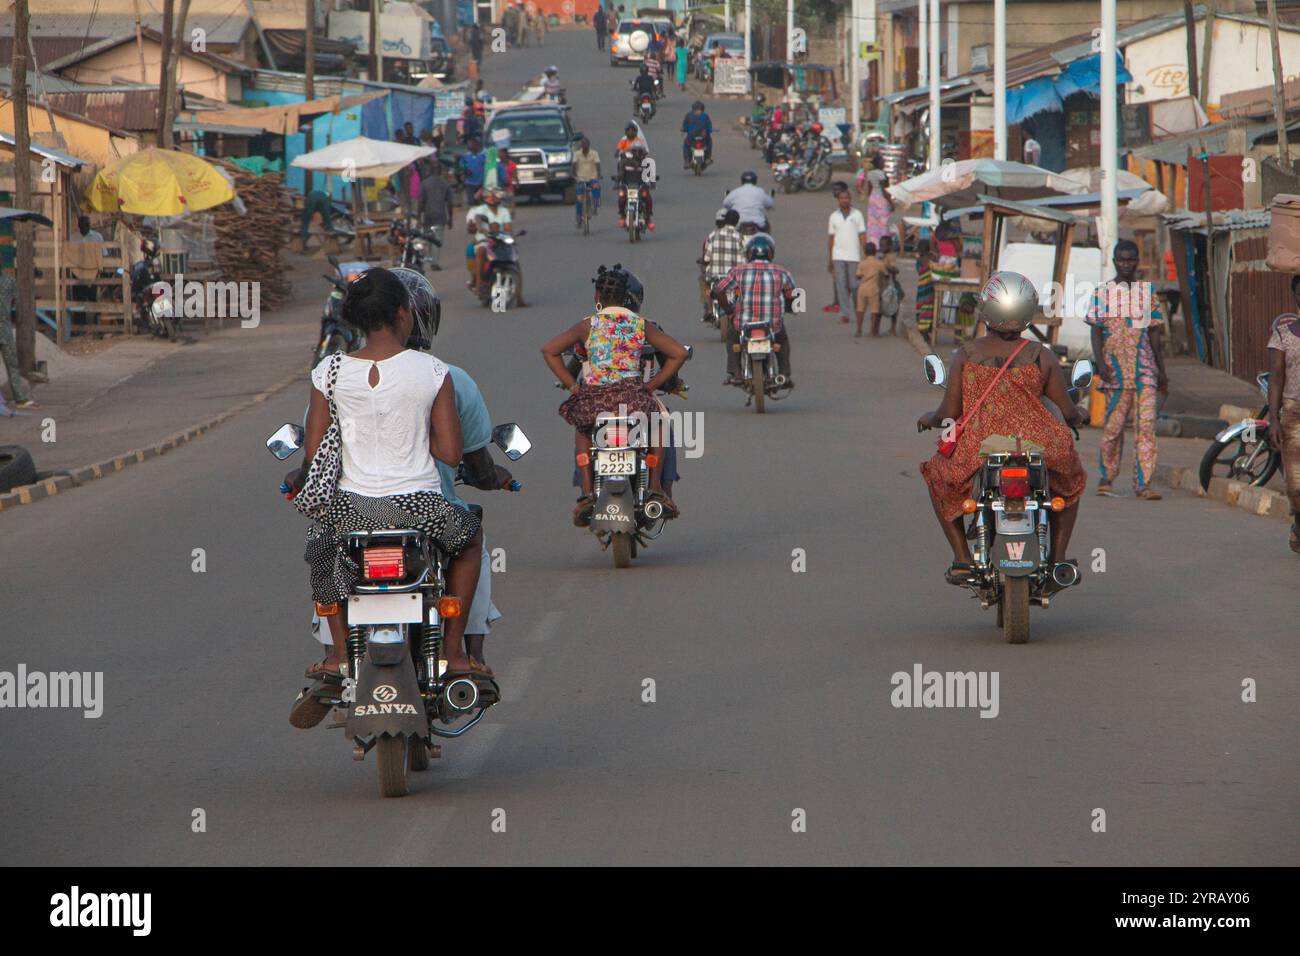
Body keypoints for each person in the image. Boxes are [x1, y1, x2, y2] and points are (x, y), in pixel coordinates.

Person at [293, 268, 485, 686]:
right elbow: (450, 454)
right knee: (470, 542)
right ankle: (453, 652)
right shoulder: (432, 371)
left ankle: (340, 655)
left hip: (351, 509)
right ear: (404, 314)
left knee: (322, 549)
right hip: (419, 507)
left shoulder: (328, 372)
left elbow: (313, 454)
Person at [917, 272, 1087, 585]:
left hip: (981, 445)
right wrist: (1078, 414)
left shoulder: (965, 355)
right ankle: (1059, 559)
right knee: (1071, 482)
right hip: (1038, 444)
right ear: (1026, 311)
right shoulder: (1041, 355)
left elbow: (949, 413)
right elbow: (1067, 410)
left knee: (937, 475)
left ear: (988, 309)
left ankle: (962, 559)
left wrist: (931, 416)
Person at [542, 265, 688, 526]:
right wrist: (652, 385)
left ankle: (587, 495)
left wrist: (573, 387)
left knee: (583, 428)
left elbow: (549, 349)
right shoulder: (640, 325)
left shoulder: (587, 325)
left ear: (598, 297)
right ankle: (655, 488)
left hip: (594, 400)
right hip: (633, 398)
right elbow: (679, 353)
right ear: (627, 298)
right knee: (658, 425)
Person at [1087, 239, 1167, 500]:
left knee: (1146, 428)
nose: (1126, 264)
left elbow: (1155, 335)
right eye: (1121, 259)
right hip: (1115, 372)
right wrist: (1100, 364)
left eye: (1130, 259)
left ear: (1137, 261)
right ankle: (1106, 477)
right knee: (1113, 428)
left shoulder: (1147, 292)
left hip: (1145, 371)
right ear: (1114, 261)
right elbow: (1096, 331)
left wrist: (1162, 372)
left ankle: (1143, 484)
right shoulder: (1102, 292)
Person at [713, 233, 796, 388]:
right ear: (771, 253)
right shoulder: (782, 272)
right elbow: (792, 295)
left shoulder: (738, 271)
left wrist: (729, 310)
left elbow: (718, 290)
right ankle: (784, 374)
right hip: (772, 324)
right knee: (782, 341)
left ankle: (736, 373)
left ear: (749, 253)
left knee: (732, 337)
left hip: (743, 323)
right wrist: (790, 307)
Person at [1266, 275, 1300, 553]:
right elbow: (1276, 378)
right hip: (1293, 413)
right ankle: (1298, 525)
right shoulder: (1283, 334)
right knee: (1296, 484)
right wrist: (1274, 419)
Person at [465, 189, 527, 305]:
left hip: (501, 240)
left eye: (495, 196)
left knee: (515, 262)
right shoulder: (480, 210)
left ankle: (519, 296)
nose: (492, 198)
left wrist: (509, 234)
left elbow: (508, 227)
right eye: (489, 196)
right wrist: (481, 229)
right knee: (481, 252)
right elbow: (477, 220)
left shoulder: (504, 211)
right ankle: (479, 285)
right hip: (484, 240)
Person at [827, 187, 866, 327]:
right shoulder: (833, 216)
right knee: (841, 285)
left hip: (854, 256)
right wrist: (830, 259)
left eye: (847, 198)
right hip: (838, 256)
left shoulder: (857, 215)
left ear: (850, 200)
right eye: (842, 198)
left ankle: (858, 309)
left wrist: (865, 254)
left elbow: (862, 235)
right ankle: (844, 313)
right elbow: (831, 239)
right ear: (838, 200)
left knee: (854, 285)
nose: (844, 200)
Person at [700, 208, 744, 323]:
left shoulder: (713, 235)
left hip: (714, 276)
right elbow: (744, 261)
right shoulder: (740, 237)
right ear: (737, 222)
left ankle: (709, 308)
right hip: (733, 278)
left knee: (703, 281)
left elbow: (706, 258)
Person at [0, 269, 34, 409]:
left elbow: (14, 301)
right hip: (5, 326)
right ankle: (20, 398)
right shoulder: (10, 281)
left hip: (5, 327)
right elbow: (14, 302)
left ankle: (20, 398)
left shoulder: (10, 281)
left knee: (12, 363)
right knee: (12, 364)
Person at [417, 160, 454, 271]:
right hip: (440, 216)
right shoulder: (445, 184)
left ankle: (430, 259)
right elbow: (450, 203)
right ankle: (434, 262)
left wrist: (419, 217)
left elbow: (421, 202)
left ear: (431, 170)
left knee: (428, 239)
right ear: (441, 171)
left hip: (428, 216)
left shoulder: (425, 183)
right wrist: (450, 219)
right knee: (437, 239)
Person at [614, 139, 654, 231]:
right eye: (635, 151)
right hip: (627, 185)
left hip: (641, 186)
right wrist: (617, 182)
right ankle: (622, 215)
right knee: (622, 197)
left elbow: (650, 175)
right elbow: (620, 174)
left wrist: (652, 183)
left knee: (647, 198)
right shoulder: (624, 162)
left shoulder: (646, 162)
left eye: (640, 151)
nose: (638, 153)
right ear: (631, 151)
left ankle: (648, 219)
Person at [858, 153, 893, 249]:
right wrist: (890, 203)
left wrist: (869, 199)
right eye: (882, 162)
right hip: (881, 199)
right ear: (879, 163)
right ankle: (884, 245)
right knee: (883, 223)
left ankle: (873, 244)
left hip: (873, 198)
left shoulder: (870, 173)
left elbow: (869, 188)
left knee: (873, 223)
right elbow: (884, 189)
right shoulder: (882, 174)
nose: (884, 164)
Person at [855, 242, 882, 339]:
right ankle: (873, 331)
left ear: (865, 252)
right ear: (875, 252)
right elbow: (886, 273)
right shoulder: (879, 263)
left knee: (860, 309)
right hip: (873, 288)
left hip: (862, 288)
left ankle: (859, 330)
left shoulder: (862, 263)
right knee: (874, 310)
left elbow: (858, 275)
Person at [573, 136, 602, 227]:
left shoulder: (594, 153)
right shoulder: (577, 154)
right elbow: (574, 165)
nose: (584, 145)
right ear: (581, 145)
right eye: (583, 144)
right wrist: (574, 175)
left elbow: (597, 165)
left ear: (589, 145)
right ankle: (579, 217)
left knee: (596, 187)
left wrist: (599, 175)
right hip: (581, 179)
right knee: (579, 198)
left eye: (586, 144)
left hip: (592, 178)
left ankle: (595, 205)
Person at [681, 100, 713, 169]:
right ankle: (708, 158)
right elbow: (709, 126)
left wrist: (684, 129)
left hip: (692, 137)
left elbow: (684, 126)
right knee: (709, 142)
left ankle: (687, 161)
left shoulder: (688, 115)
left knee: (686, 145)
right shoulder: (705, 115)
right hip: (704, 137)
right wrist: (710, 130)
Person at [914, 239, 935, 338]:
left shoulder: (919, 260)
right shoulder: (928, 259)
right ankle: (924, 330)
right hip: (928, 287)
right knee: (928, 308)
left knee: (924, 307)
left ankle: (924, 329)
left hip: (922, 287)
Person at [459, 136, 487, 206]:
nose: (469, 145)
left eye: (471, 143)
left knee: (480, 204)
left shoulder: (482, 157)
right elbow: (461, 168)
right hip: (469, 184)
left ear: (476, 144)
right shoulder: (465, 157)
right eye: (468, 143)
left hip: (480, 184)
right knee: (471, 203)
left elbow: (486, 169)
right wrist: (465, 172)